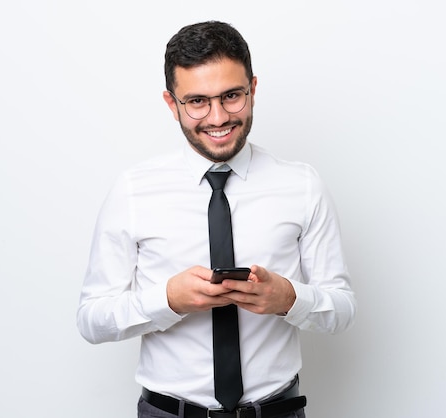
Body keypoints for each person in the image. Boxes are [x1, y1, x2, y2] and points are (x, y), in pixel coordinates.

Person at [77, 20, 356, 418]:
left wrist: (289, 299)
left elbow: (342, 309)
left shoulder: (302, 185)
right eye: (197, 101)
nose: (218, 117)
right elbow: (92, 320)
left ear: (253, 89)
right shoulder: (133, 191)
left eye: (232, 96)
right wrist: (167, 300)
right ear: (172, 103)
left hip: (278, 410)